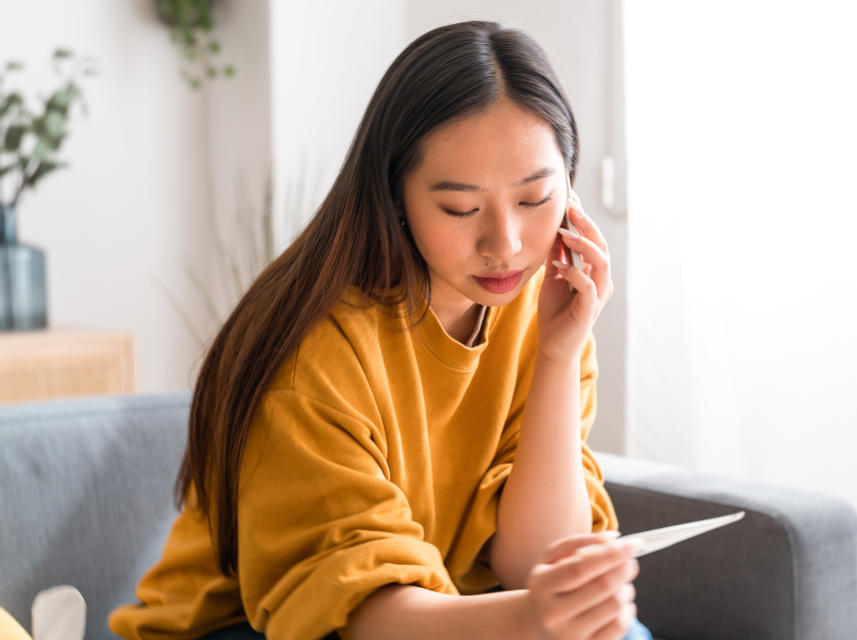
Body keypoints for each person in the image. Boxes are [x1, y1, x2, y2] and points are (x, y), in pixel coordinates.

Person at [108, 20, 653, 640]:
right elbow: (363, 611)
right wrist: (529, 619)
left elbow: (535, 562)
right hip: (258, 627)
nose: (505, 245)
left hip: (444, 613)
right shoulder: (313, 354)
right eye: (461, 208)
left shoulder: (548, 310)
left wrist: (559, 355)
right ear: (396, 198)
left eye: (534, 200)